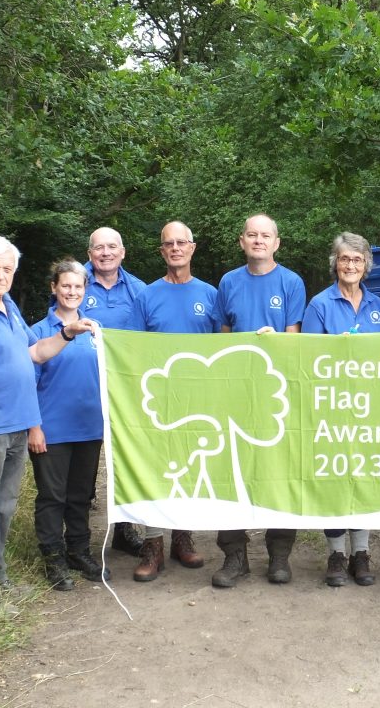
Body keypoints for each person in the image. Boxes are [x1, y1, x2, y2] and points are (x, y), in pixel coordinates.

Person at [0, 237, 96, 605]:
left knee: (3, 507)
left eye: (7, 269)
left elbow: (35, 352)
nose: (0, 275)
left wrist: (66, 334)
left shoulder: (7, 305)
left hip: (14, 426)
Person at [211, 214, 307, 588]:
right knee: (229, 471)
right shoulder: (228, 282)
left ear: (276, 243)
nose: (259, 240)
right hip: (234, 393)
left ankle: (279, 554)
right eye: (252, 235)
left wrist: (276, 342)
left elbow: (295, 339)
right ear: (242, 241)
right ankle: (235, 555)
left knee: (278, 470)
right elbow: (221, 337)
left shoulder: (291, 282)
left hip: (277, 394)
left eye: (265, 235)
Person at [129, 221, 219, 582]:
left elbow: (222, 348)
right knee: (156, 472)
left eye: (182, 242)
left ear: (192, 248)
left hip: (198, 402)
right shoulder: (146, 296)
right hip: (158, 402)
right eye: (169, 244)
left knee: (191, 470)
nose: (176, 248)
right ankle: (153, 545)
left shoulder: (211, 294)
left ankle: (183, 538)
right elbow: (132, 351)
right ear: (162, 251)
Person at [302, 232, 380, 587]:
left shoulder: (377, 306)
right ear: (335, 264)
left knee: (363, 476)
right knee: (335, 479)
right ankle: (337, 554)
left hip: (369, 409)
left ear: (366, 265)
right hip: (331, 408)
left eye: (357, 260)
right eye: (344, 259)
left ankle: (361, 554)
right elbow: (306, 358)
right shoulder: (319, 305)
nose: (351, 266)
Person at [28, 259, 110, 592]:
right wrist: (34, 427)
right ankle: (54, 558)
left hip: (89, 427)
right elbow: (27, 383)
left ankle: (78, 550)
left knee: (81, 495)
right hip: (52, 430)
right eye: (66, 286)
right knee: (52, 497)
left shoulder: (96, 330)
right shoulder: (38, 331)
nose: (72, 292)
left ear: (85, 290)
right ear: (54, 288)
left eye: (78, 286)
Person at [82, 227, 147, 557]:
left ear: (123, 252)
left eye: (112, 247)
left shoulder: (139, 290)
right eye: (98, 248)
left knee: (124, 458)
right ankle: (80, 537)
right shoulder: (75, 283)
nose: (105, 253)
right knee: (85, 457)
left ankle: (125, 529)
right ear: (90, 253)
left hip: (125, 389)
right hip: (81, 384)